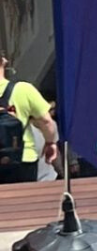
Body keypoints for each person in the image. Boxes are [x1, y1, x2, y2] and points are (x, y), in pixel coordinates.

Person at [0, 52, 58, 185]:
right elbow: (47, 122)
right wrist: (50, 143)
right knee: (24, 197)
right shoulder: (23, 89)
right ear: (3, 61)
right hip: (23, 159)